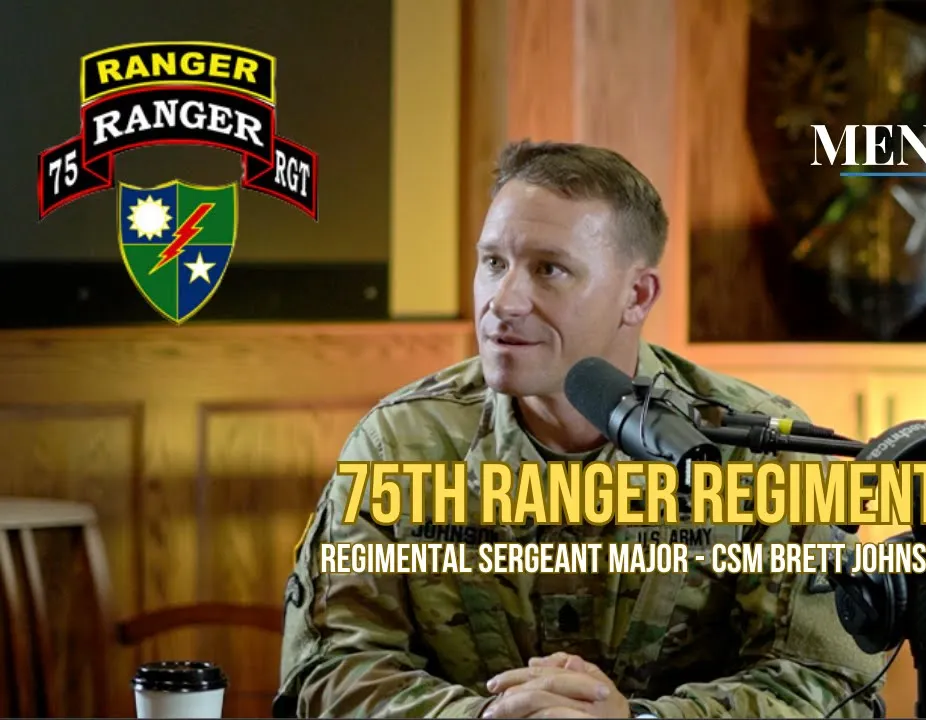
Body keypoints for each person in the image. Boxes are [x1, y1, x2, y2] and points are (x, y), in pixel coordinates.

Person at [274, 140, 888, 719]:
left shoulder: (755, 452)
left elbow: (831, 683)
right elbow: (327, 669)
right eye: (493, 263)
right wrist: (486, 717)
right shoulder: (400, 443)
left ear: (636, 295)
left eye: (549, 270)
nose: (503, 301)